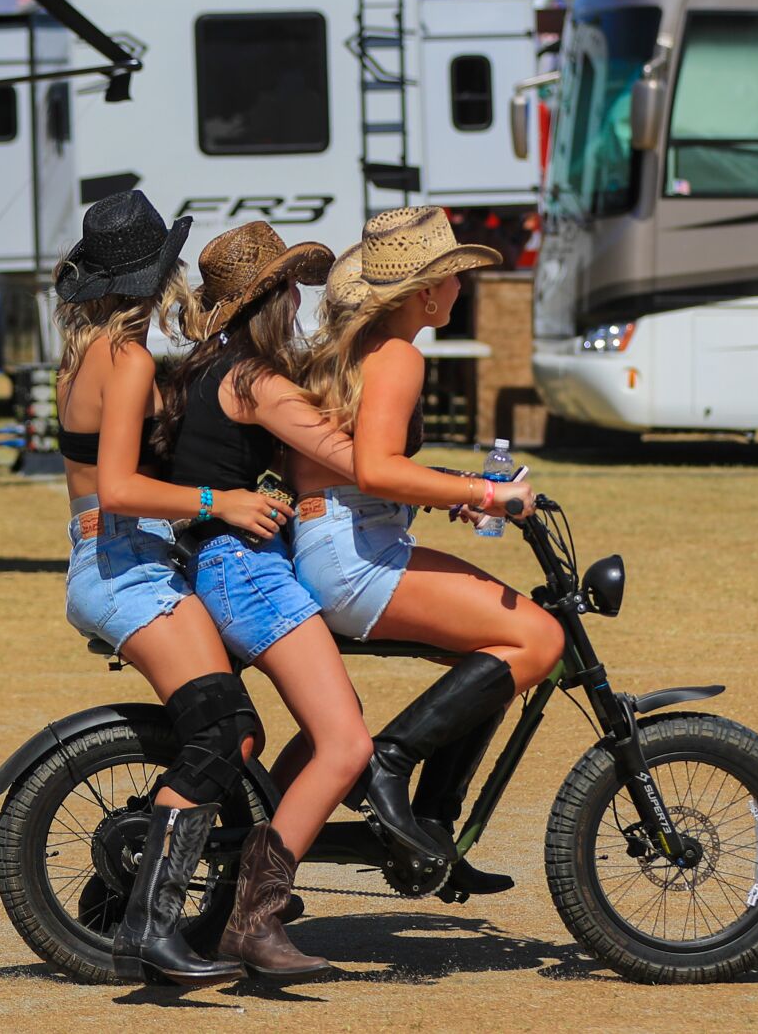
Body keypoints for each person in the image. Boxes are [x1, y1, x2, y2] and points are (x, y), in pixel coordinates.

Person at [50, 190, 283, 988]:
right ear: (157, 274)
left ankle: (150, 902)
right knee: (223, 731)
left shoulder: (86, 355)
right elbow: (118, 486)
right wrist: (225, 501)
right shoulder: (128, 359)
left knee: (230, 730)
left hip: (115, 558)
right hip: (127, 562)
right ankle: (150, 927)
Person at [293, 206, 564, 892]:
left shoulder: (366, 351)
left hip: (342, 540)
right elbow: (376, 469)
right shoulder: (399, 355)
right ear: (426, 292)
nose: (461, 289)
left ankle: (434, 832)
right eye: (454, 277)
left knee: (498, 659)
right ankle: (389, 763)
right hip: (353, 555)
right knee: (537, 637)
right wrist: (483, 491)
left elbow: (368, 475)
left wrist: (455, 493)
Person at [162, 220, 374, 979]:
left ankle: (253, 872)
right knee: (347, 742)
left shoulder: (204, 368)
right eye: (290, 286)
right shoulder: (258, 382)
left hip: (227, 565)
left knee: (326, 737)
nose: (299, 299)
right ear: (272, 298)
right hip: (246, 569)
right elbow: (355, 459)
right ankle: (254, 919)